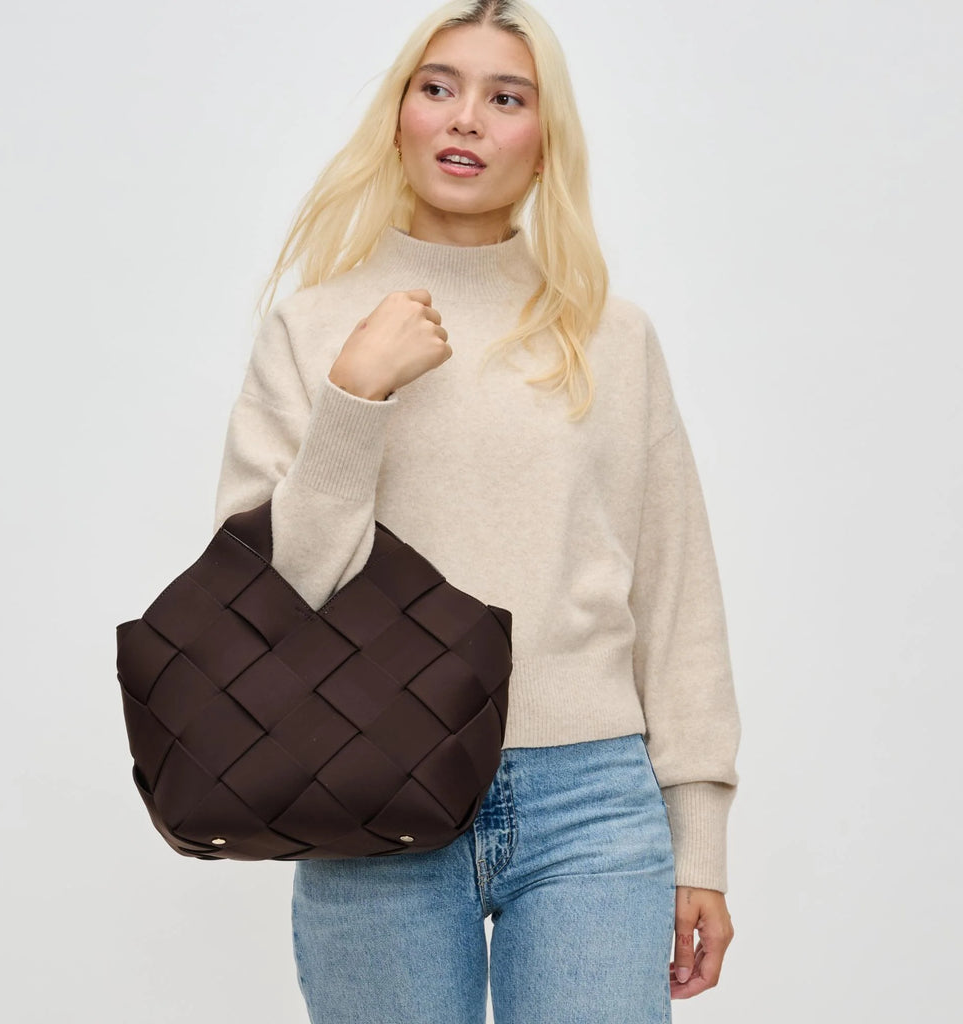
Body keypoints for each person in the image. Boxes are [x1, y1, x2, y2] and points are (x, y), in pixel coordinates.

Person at [213, 1, 740, 1020]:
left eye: (506, 98)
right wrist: (355, 395)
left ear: (546, 141)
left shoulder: (610, 335)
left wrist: (701, 839)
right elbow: (271, 595)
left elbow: (676, 593)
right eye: (438, 87)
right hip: (365, 782)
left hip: (591, 799)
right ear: (398, 117)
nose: (466, 118)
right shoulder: (314, 328)